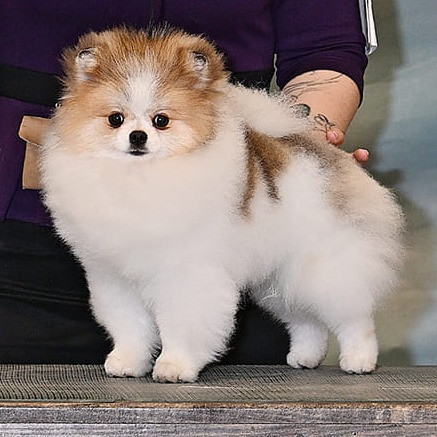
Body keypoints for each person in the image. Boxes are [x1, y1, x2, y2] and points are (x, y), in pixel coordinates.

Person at [0, 1, 369, 364]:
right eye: (117, 119)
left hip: (245, 267)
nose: (138, 132)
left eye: (159, 122)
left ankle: (186, 350)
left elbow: (324, 45)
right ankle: (132, 344)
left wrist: (309, 143)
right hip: (18, 259)